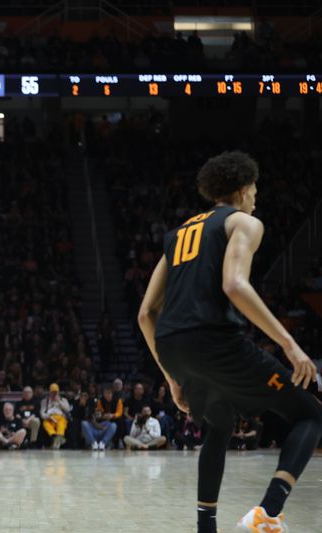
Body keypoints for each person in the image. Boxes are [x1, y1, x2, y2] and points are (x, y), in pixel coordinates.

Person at [138, 151, 322, 533]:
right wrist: (290, 344)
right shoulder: (245, 223)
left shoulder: (177, 234)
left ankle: (207, 526)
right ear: (241, 190)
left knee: (219, 424)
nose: (256, 197)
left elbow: (145, 314)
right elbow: (234, 285)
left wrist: (172, 377)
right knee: (310, 414)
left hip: (173, 346)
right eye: (254, 189)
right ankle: (269, 512)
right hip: (214, 341)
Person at [40, 383, 70, 449]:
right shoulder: (45, 401)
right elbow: (42, 413)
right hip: (50, 417)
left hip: (60, 417)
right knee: (46, 423)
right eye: (52, 392)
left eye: (55, 392)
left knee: (61, 424)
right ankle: (56, 438)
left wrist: (59, 402)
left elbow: (67, 410)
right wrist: (49, 417)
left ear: (58, 392)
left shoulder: (63, 400)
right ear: (49, 392)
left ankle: (58, 438)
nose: (54, 394)